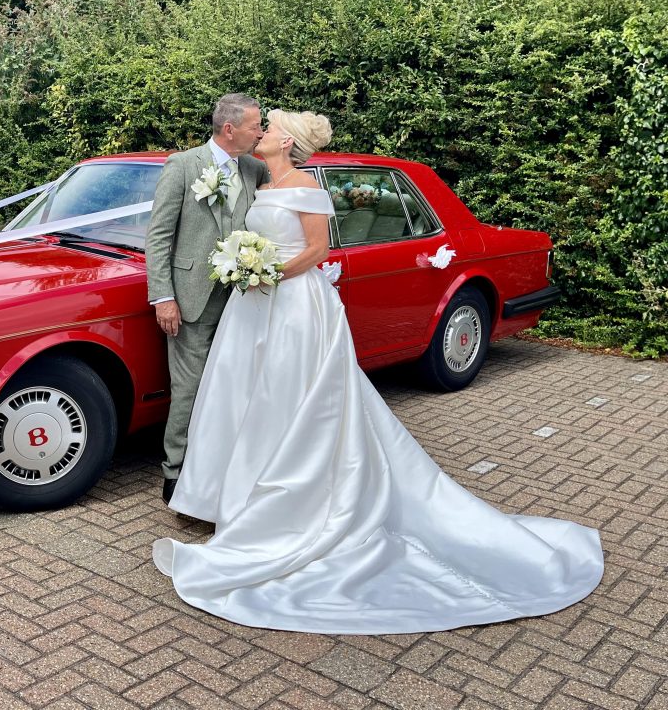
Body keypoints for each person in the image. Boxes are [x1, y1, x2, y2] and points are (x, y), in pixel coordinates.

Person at [151, 109, 604, 634]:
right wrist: (246, 267)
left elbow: (317, 250)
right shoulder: (256, 177)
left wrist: (267, 270)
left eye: (270, 128)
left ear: (287, 142)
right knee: (244, 397)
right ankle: (236, 496)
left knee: (295, 399)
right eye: (261, 125)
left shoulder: (308, 188)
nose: (262, 132)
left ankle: (296, 506)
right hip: (251, 307)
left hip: (294, 304)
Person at [146, 93, 271, 505]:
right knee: (190, 387)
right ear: (230, 129)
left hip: (242, 300)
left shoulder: (255, 169)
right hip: (191, 299)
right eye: (256, 126)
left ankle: (221, 470)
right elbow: (159, 237)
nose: (261, 132)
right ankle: (175, 472)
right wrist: (164, 296)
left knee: (233, 386)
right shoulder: (183, 166)